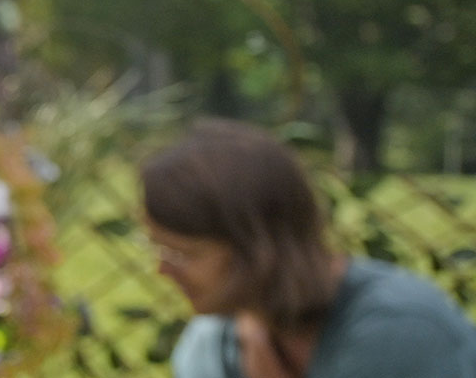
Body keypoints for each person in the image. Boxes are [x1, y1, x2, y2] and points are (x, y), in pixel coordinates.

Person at [147, 120, 476, 378]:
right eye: (157, 248)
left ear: (260, 247)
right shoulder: (210, 348)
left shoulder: (402, 333)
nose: (161, 270)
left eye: (183, 253)